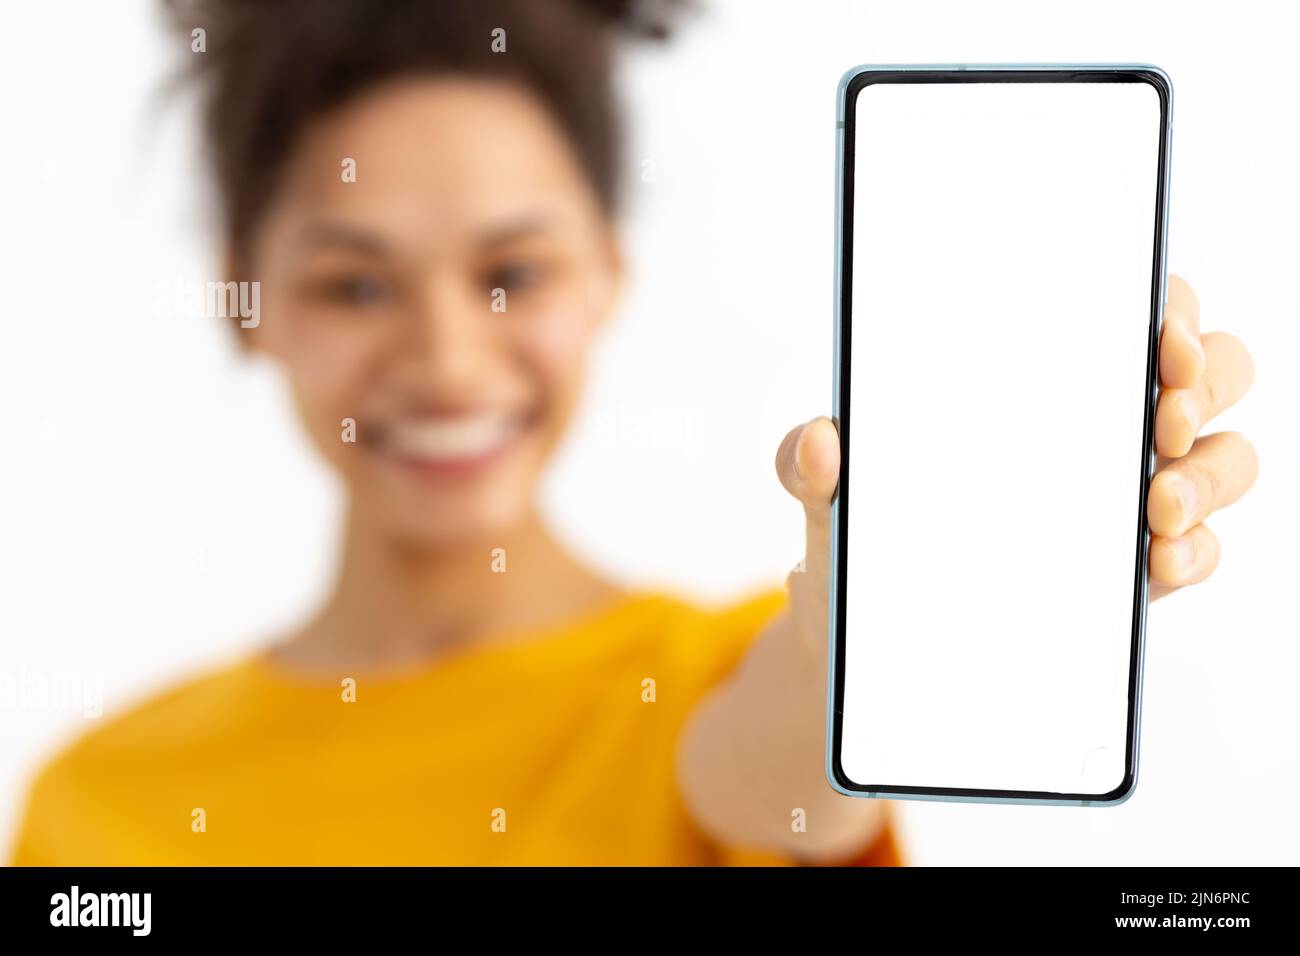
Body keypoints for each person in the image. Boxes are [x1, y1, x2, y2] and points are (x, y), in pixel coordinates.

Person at [10, 0, 1256, 866]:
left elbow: (780, 777)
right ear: (248, 298)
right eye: (355, 284)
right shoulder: (92, 800)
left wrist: (870, 603)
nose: (447, 360)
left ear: (606, 271)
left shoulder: (709, 677)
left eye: (514, 272)